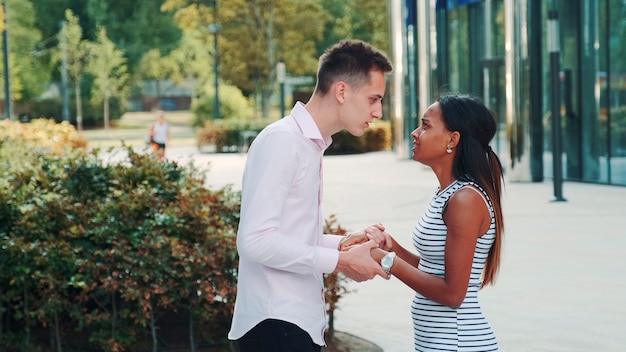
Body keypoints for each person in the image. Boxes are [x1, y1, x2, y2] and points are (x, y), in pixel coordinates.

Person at [228, 39, 393, 352]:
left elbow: (286, 235)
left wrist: (343, 245)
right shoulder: (283, 141)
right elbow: (254, 241)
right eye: (373, 99)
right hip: (274, 328)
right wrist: (340, 261)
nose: (378, 111)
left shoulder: (308, 144)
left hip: (292, 327)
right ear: (342, 91)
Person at [367, 94, 505, 351]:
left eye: (425, 126)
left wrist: (385, 261)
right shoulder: (449, 193)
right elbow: (435, 270)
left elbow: (453, 294)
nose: (414, 133)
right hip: (442, 342)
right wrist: (391, 248)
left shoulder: (465, 199)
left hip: (457, 342)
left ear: (453, 139)